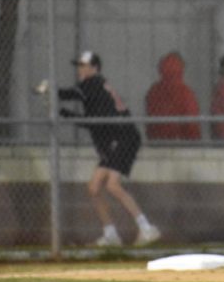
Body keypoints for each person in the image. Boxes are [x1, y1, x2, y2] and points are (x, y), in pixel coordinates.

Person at [58, 51, 161, 247]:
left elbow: (75, 100)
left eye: (84, 66)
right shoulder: (94, 87)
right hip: (115, 138)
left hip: (122, 138)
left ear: (95, 68)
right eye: (79, 66)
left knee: (112, 185)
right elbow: (92, 118)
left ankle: (147, 228)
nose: (80, 69)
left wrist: (55, 97)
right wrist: (63, 109)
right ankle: (110, 234)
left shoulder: (93, 84)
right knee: (94, 187)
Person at [145, 51, 201, 140]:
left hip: (157, 140)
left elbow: (150, 114)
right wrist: (195, 140)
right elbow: (191, 121)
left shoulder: (154, 91)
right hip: (181, 140)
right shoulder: (185, 92)